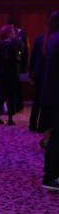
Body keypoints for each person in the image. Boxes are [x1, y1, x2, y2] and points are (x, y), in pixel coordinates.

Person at [40, 10, 59, 191]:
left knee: (55, 136)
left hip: (51, 95)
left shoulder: (51, 39)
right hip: (56, 96)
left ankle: (52, 174)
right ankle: (51, 176)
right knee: (56, 138)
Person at [0, 24, 20, 126]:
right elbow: (16, 59)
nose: (14, 33)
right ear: (9, 33)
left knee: (1, 96)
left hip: (2, 74)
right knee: (10, 97)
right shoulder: (13, 45)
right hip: (11, 74)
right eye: (13, 32)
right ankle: (10, 119)